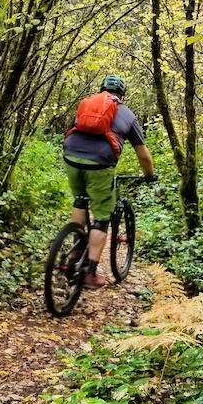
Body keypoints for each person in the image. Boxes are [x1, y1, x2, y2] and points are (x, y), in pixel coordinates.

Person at [63, 74, 157, 288]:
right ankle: (90, 273)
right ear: (122, 94)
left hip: (70, 155)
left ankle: (76, 249)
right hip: (100, 163)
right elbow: (143, 155)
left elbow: (69, 131)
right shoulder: (128, 115)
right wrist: (150, 175)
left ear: (101, 89)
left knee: (80, 199)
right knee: (102, 217)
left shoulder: (87, 104)